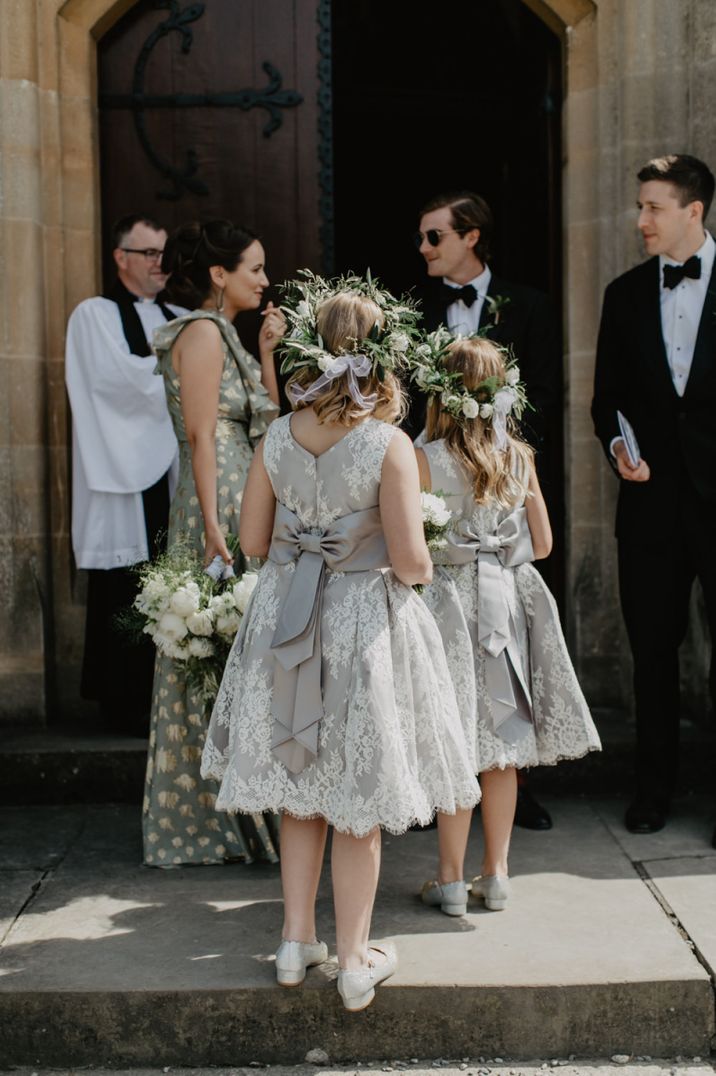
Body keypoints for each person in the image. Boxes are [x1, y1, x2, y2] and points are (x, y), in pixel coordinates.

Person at [200, 276, 481, 1010]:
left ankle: (295, 941)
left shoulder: (276, 436)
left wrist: (310, 541)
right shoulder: (385, 442)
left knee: (300, 785)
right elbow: (415, 563)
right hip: (360, 622)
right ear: (380, 354)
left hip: (288, 616)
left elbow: (255, 542)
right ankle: (356, 959)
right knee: (357, 792)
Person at [414, 335, 601, 915]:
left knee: (456, 736)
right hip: (507, 598)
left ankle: (449, 877)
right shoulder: (517, 456)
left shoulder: (423, 458)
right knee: (501, 740)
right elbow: (542, 544)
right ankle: (495, 874)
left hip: (448, 603)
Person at [412, 188, 561, 831]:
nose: (423, 249)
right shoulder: (417, 312)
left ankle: (515, 786)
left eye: (433, 236)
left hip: (501, 501)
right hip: (438, 496)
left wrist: (508, 468)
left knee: (509, 656)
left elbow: (546, 396)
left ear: (471, 236)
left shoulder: (528, 306)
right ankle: (442, 793)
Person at [142, 219, 283, 867]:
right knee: (213, 655)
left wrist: (271, 354)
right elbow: (202, 434)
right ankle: (208, 820)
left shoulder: (230, 334)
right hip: (216, 500)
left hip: (243, 489)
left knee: (244, 659)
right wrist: (214, 527)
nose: (264, 278)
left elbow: (268, 423)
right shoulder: (200, 333)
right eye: (253, 267)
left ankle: (254, 811)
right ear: (219, 275)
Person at [592, 154, 716, 844]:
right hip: (648, 508)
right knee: (653, 654)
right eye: (640, 206)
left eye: (653, 208)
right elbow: (605, 400)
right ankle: (653, 790)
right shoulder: (624, 293)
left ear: (692, 211)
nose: (640, 220)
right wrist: (616, 448)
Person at [65, 214, 183, 734]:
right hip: (119, 464)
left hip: (173, 469)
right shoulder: (93, 315)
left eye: (163, 254)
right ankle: (122, 700)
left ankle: (172, 698)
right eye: (149, 254)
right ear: (121, 258)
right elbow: (116, 384)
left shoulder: (181, 315)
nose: (161, 264)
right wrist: (179, 372)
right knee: (124, 581)